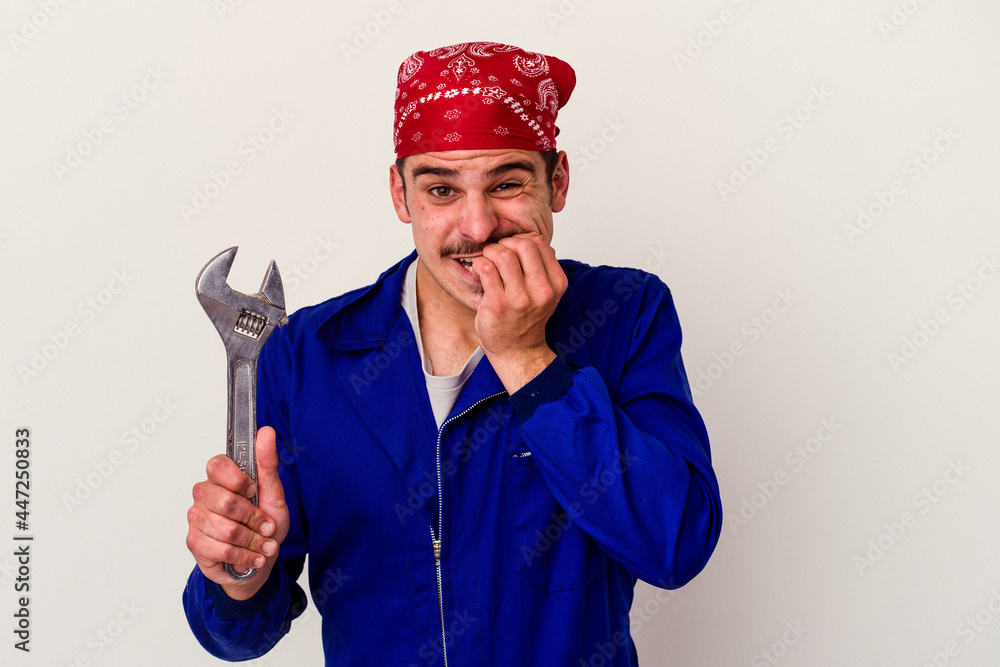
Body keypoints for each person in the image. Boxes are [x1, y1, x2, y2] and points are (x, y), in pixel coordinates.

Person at [183, 41, 722, 666]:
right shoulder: (306, 354)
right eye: (441, 189)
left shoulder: (627, 314)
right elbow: (238, 636)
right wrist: (241, 579)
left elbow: (676, 545)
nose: (477, 226)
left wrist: (527, 360)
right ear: (400, 194)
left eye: (508, 184)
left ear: (557, 182)